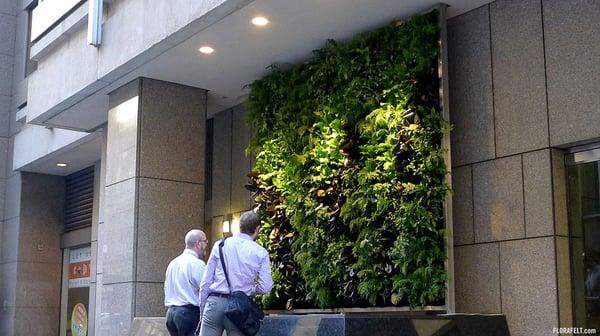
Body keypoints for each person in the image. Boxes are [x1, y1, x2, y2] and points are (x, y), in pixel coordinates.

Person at [198, 211, 273, 336]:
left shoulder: (220, 245)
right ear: (257, 229)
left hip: (215, 302)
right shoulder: (261, 253)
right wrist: (251, 289)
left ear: (239, 226)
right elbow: (266, 286)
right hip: (239, 306)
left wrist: (203, 309)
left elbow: (206, 281)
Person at [164, 229, 208, 336]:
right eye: (205, 241)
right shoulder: (197, 264)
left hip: (171, 314)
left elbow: (166, 287)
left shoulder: (173, 263)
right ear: (198, 244)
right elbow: (206, 290)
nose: (207, 244)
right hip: (189, 314)